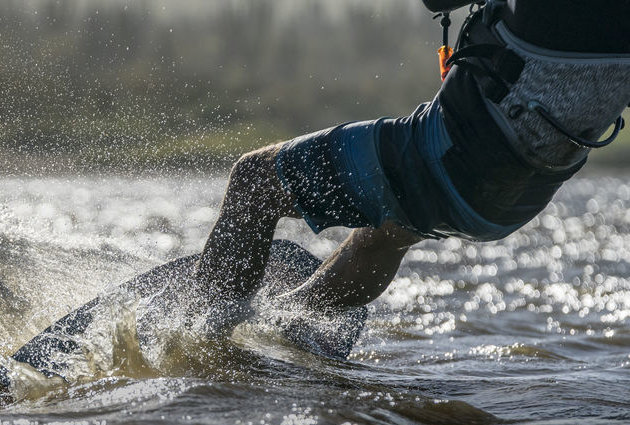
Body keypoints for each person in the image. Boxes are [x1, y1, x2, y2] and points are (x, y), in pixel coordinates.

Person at [190, 0, 630, 353]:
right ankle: (283, 320)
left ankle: (199, 340)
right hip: (516, 200)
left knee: (253, 181)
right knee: (387, 231)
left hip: (450, 159)